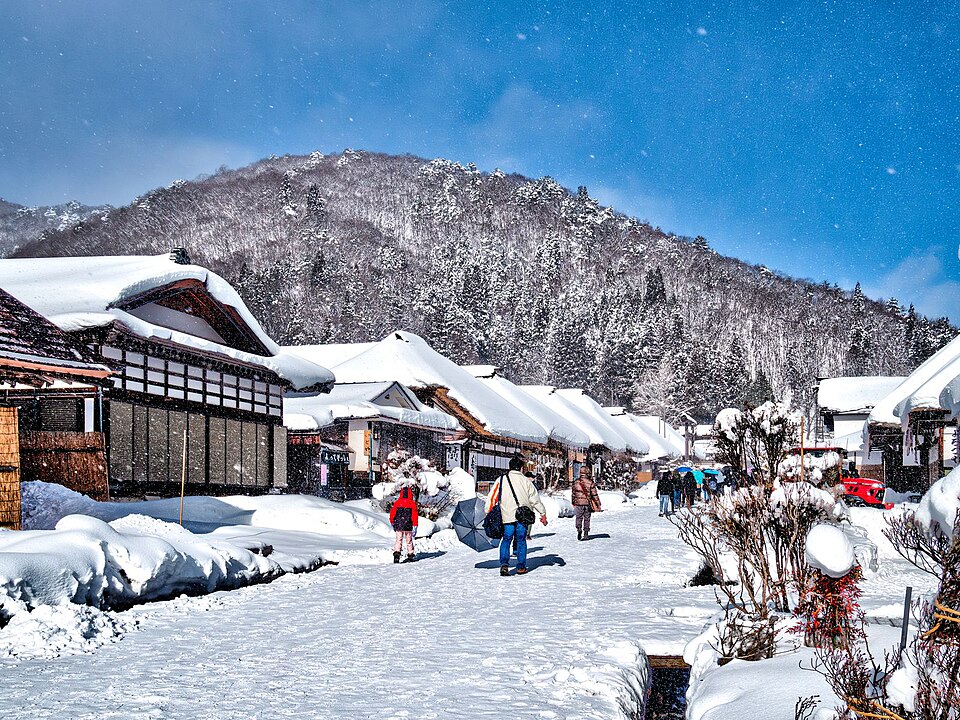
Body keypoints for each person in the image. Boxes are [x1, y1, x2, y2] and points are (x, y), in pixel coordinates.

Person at [496, 456, 548, 576]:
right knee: (521, 540)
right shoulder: (526, 481)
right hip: (522, 516)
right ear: (520, 468)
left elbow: (493, 496)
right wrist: (543, 513)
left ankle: (504, 565)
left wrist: (487, 510)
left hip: (507, 515)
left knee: (506, 539)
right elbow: (535, 499)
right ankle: (521, 567)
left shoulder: (502, 479)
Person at [571, 465, 602, 540]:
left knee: (578, 517)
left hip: (578, 503)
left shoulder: (576, 482)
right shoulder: (590, 482)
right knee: (587, 518)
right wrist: (598, 503)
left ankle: (579, 529)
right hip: (587, 503)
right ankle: (586, 534)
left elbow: (573, 493)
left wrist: (573, 502)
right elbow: (594, 494)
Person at [389, 485, 418, 563]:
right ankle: (410, 555)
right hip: (408, 524)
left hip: (399, 524)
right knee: (409, 540)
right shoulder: (412, 503)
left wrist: (392, 521)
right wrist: (415, 525)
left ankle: (396, 555)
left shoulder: (397, 502)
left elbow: (393, 513)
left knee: (398, 540)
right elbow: (414, 515)